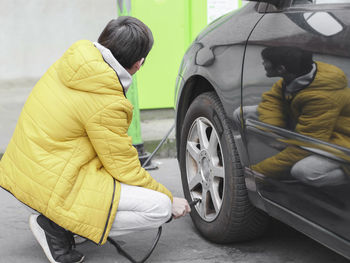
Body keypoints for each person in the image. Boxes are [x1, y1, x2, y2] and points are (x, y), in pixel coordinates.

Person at [0, 16, 190, 263]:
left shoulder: (76, 61)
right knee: (159, 208)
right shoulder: (106, 100)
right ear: (138, 64)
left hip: (26, 176)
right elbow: (125, 167)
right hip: (52, 186)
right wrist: (169, 198)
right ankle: (57, 226)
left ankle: (65, 221)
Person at [235, 46, 350, 186]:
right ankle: (287, 157)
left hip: (341, 141)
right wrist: (273, 129)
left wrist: (258, 172)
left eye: (266, 61)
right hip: (317, 129)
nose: (263, 64)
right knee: (241, 114)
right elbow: (274, 98)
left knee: (303, 171)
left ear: (281, 69)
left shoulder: (322, 98)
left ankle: (344, 171)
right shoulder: (303, 72)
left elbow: (308, 144)